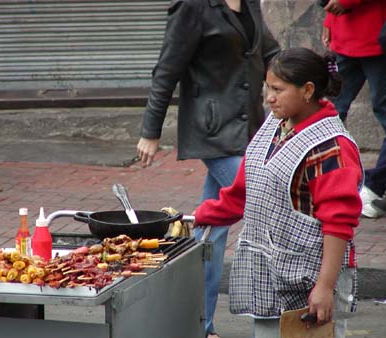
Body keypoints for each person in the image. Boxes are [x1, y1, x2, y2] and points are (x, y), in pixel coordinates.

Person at [194, 47, 363, 338]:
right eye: (266, 87)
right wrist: (196, 217)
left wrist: (324, 287)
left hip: (309, 281)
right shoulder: (275, 123)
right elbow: (243, 191)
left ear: (307, 90)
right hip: (270, 276)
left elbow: (339, 224)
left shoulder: (331, 146)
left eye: (277, 89)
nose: (268, 97)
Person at [136, 0, 280, 336]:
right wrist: (150, 131)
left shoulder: (249, 4)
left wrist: (300, 81)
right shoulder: (193, 7)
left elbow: (270, 52)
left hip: (247, 128)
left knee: (210, 232)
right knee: (261, 202)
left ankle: (198, 324)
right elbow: (166, 69)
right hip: (212, 130)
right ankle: (276, 314)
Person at [321, 0, 386, 218]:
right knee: (328, 111)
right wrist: (331, 19)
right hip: (349, 32)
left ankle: (372, 187)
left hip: (377, 36)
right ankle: (325, 180)